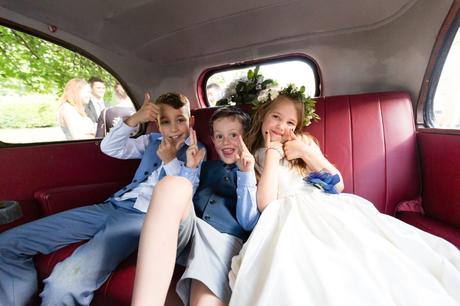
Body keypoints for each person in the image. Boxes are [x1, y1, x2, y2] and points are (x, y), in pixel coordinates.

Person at [228, 85, 460, 306]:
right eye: (276, 117)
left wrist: (306, 152)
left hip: (326, 206)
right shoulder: (255, 154)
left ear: (297, 127)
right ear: (263, 115)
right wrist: (271, 156)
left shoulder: (304, 143)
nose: (281, 126)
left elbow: (338, 184)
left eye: (290, 122)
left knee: (363, 251)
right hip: (288, 215)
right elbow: (266, 203)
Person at [0, 92, 203, 306]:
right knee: (8, 244)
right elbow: (110, 147)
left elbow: (182, 195)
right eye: (165, 121)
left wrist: (171, 160)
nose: (173, 128)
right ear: (157, 124)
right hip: (112, 206)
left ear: (190, 121)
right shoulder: (151, 141)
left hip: (143, 220)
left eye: (180, 120)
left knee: (64, 284)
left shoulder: (196, 151)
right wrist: (134, 119)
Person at [132, 106, 259, 306]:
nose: (225, 142)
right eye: (219, 136)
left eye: (233, 135)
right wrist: (190, 169)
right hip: (190, 230)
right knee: (173, 184)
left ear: (247, 137)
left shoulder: (254, 173)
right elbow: (180, 202)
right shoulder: (206, 165)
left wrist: (246, 175)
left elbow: (249, 221)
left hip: (222, 239)